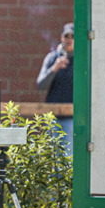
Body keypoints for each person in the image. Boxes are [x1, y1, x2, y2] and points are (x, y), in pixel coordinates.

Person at [37, 23, 74, 155]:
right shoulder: (52, 58)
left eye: (73, 36)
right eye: (66, 36)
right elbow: (41, 85)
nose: (69, 39)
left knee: (67, 157)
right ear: (61, 37)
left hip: (71, 117)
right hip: (52, 117)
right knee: (52, 158)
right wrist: (54, 68)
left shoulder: (81, 59)